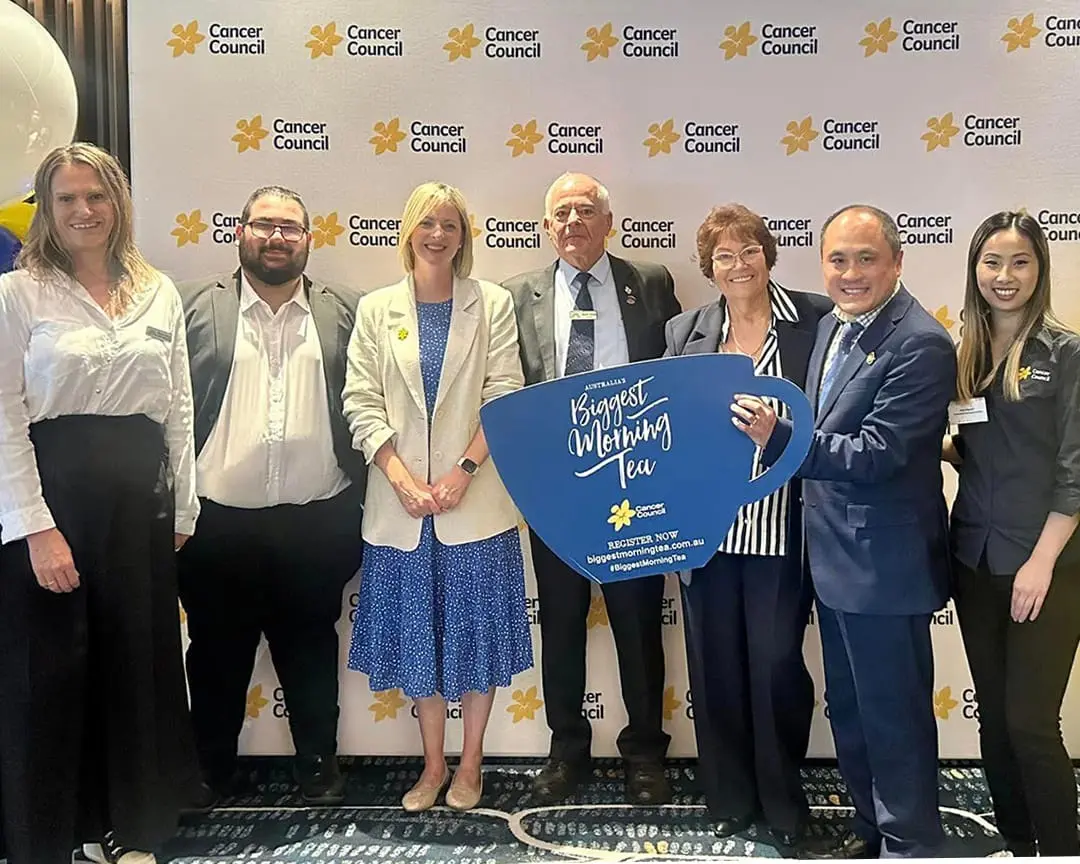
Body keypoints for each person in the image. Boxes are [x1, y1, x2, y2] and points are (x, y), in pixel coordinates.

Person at [0, 143, 200, 864]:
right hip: (55, 501)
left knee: (136, 665)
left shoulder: (159, 291)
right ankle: (51, 835)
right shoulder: (17, 295)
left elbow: (177, 406)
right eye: (66, 199)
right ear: (46, 212)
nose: (83, 211)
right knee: (50, 671)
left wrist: (185, 507)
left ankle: (127, 826)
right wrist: (35, 529)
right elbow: (4, 416)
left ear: (118, 203)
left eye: (96, 196)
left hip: (140, 506)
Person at [735, 205, 955, 858]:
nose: (850, 273)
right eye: (838, 259)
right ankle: (872, 830)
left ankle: (911, 845)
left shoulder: (921, 341)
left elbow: (877, 453)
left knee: (894, 721)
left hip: (885, 569)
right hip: (833, 563)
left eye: (866, 258)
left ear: (896, 262)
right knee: (855, 716)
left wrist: (779, 439)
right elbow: (827, 424)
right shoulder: (833, 324)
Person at [343, 181, 532, 813]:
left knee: (476, 642)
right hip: (398, 512)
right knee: (418, 645)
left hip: (473, 506)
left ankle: (471, 764)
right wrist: (398, 476)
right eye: (427, 223)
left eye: (450, 224)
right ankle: (431, 766)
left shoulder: (493, 304)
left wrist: (463, 471)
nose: (438, 235)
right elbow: (361, 401)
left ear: (464, 236)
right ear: (408, 231)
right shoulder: (375, 309)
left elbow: (504, 394)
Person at [177, 186, 366, 806]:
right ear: (240, 232)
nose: (277, 238)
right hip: (217, 524)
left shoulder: (345, 311)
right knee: (215, 655)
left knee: (312, 648)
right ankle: (210, 770)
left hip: (317, 521)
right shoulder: (194, 308)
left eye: (290, 228)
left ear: (310, 238)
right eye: (265, 226)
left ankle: (318, 767)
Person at [502, 172, 682, 805]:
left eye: (587, 210)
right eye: (561, 213)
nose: (574, 221)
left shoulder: (652, 284)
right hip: (557, 491)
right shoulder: (515, 295)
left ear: (610, 222)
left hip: (636, 485)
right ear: (546, 227)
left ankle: (645, 755)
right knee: (562, 621)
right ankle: (566, 751)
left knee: (637, 623)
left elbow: (675, 380)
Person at [664, 205, 830, 852]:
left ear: (769, 254)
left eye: (749, 251)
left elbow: (832, 412)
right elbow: (668, 430)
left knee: (776, 669)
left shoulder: (813, 321)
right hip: (707, 532)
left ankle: (784, 802)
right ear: (708, 269)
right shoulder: (686, 331)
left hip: (781, 530)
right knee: (716, 671)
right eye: (724, 257)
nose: (738, 265)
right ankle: (729, 798)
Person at [945, 212, 1080, 857]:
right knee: (994, 722)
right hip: (973, 558)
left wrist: (1041, 562)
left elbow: (1074, 472)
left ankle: (1059, 849)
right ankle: (1015, 840)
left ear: (1040, 270)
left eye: (1020, 262)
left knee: (1031, 723)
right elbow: (974, 445)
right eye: (992, 262)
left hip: (1045, 565)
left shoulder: (1067, 353)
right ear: (975, 270)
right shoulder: (964, 351)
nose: (1005, 276)